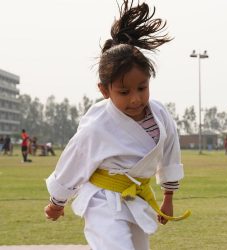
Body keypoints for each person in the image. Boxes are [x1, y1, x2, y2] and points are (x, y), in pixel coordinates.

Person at [44, 1, 190, 249]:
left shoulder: (160, 114)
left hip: (136, 199)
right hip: (103, 201)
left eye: (142, 88)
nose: (135, 98)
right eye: (124, 91)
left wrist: (168, 196)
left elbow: (169, 154)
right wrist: (57, 202)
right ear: (104, 90)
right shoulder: (97, 125)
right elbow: (73, 162)